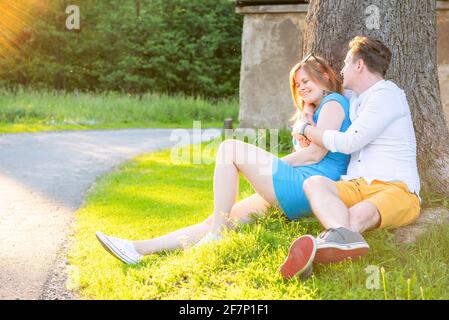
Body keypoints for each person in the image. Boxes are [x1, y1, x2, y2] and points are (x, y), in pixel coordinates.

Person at [95, 55, 352, 267]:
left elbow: (315, 154)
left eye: (306, 80)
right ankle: (137, 249)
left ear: (325, 75)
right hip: (298, 188)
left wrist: (271, 164)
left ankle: (216, 234)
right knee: (218, 219)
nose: (302, 88)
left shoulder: (333, 102)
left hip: (308, 186)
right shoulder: (316, 109)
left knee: (229, 148)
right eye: (297, 85)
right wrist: (307, 110)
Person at [280, 36, 421, 279]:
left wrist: (304, 130)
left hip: (397, 188)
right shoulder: (355, 97)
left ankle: (313, 252)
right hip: (357, 184)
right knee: (314, 183)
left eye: (346, 63)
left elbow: (348, 142)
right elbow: (318, 93)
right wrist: (306, 111)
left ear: (359, 65)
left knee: (358, 215)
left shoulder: (388, 95)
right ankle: (329, 245)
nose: (342, 69)